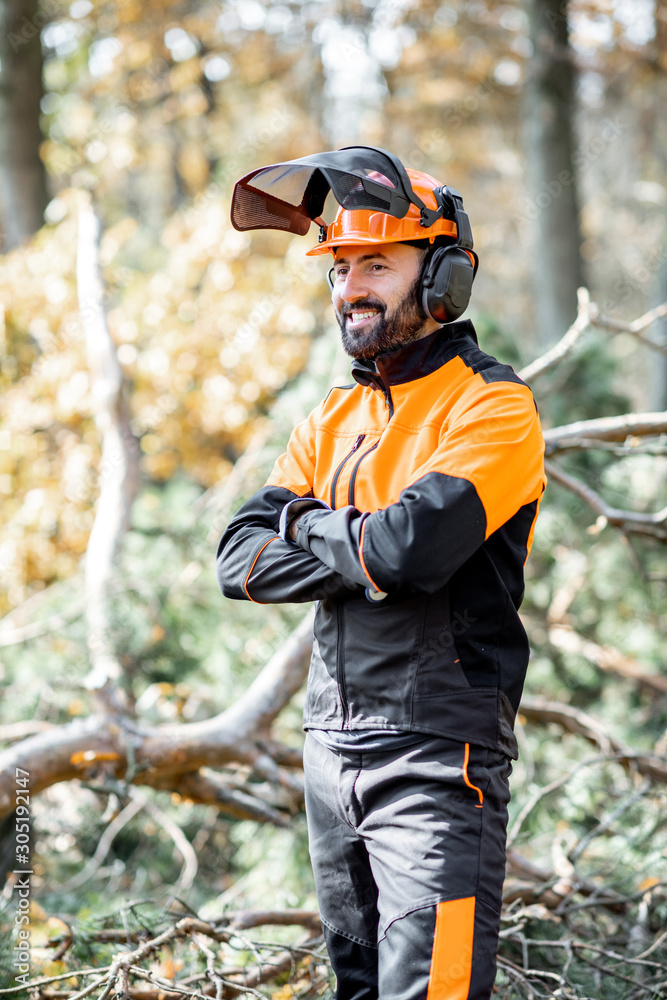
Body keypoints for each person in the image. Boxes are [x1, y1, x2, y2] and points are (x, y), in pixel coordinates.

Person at [217, 154, 546, 1000]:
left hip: (437, 761)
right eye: (340, 268)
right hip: (329, 750)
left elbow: (409, 553)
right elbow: (238, 558)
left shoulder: (491, 407)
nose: (350, 288)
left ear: (443, 279)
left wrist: (302, 519)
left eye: (377, 264)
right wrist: (351, 541)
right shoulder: (333, 415)